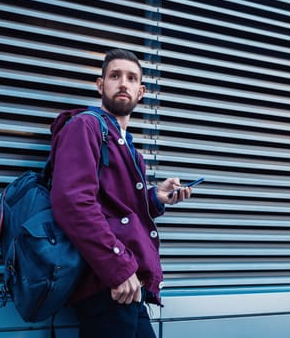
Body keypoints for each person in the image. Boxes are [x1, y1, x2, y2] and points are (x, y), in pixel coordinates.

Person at [49, 48, 193, 338]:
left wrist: (155, 198)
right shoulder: (85, 127)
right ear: (100, 85)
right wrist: (118, 267)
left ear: (141, 92)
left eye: (131, 78)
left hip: (129, 284)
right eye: (115, 76)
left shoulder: (130, 148)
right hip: (107, 285)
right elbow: (72, 203)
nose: (123, 83)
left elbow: (117, 208)